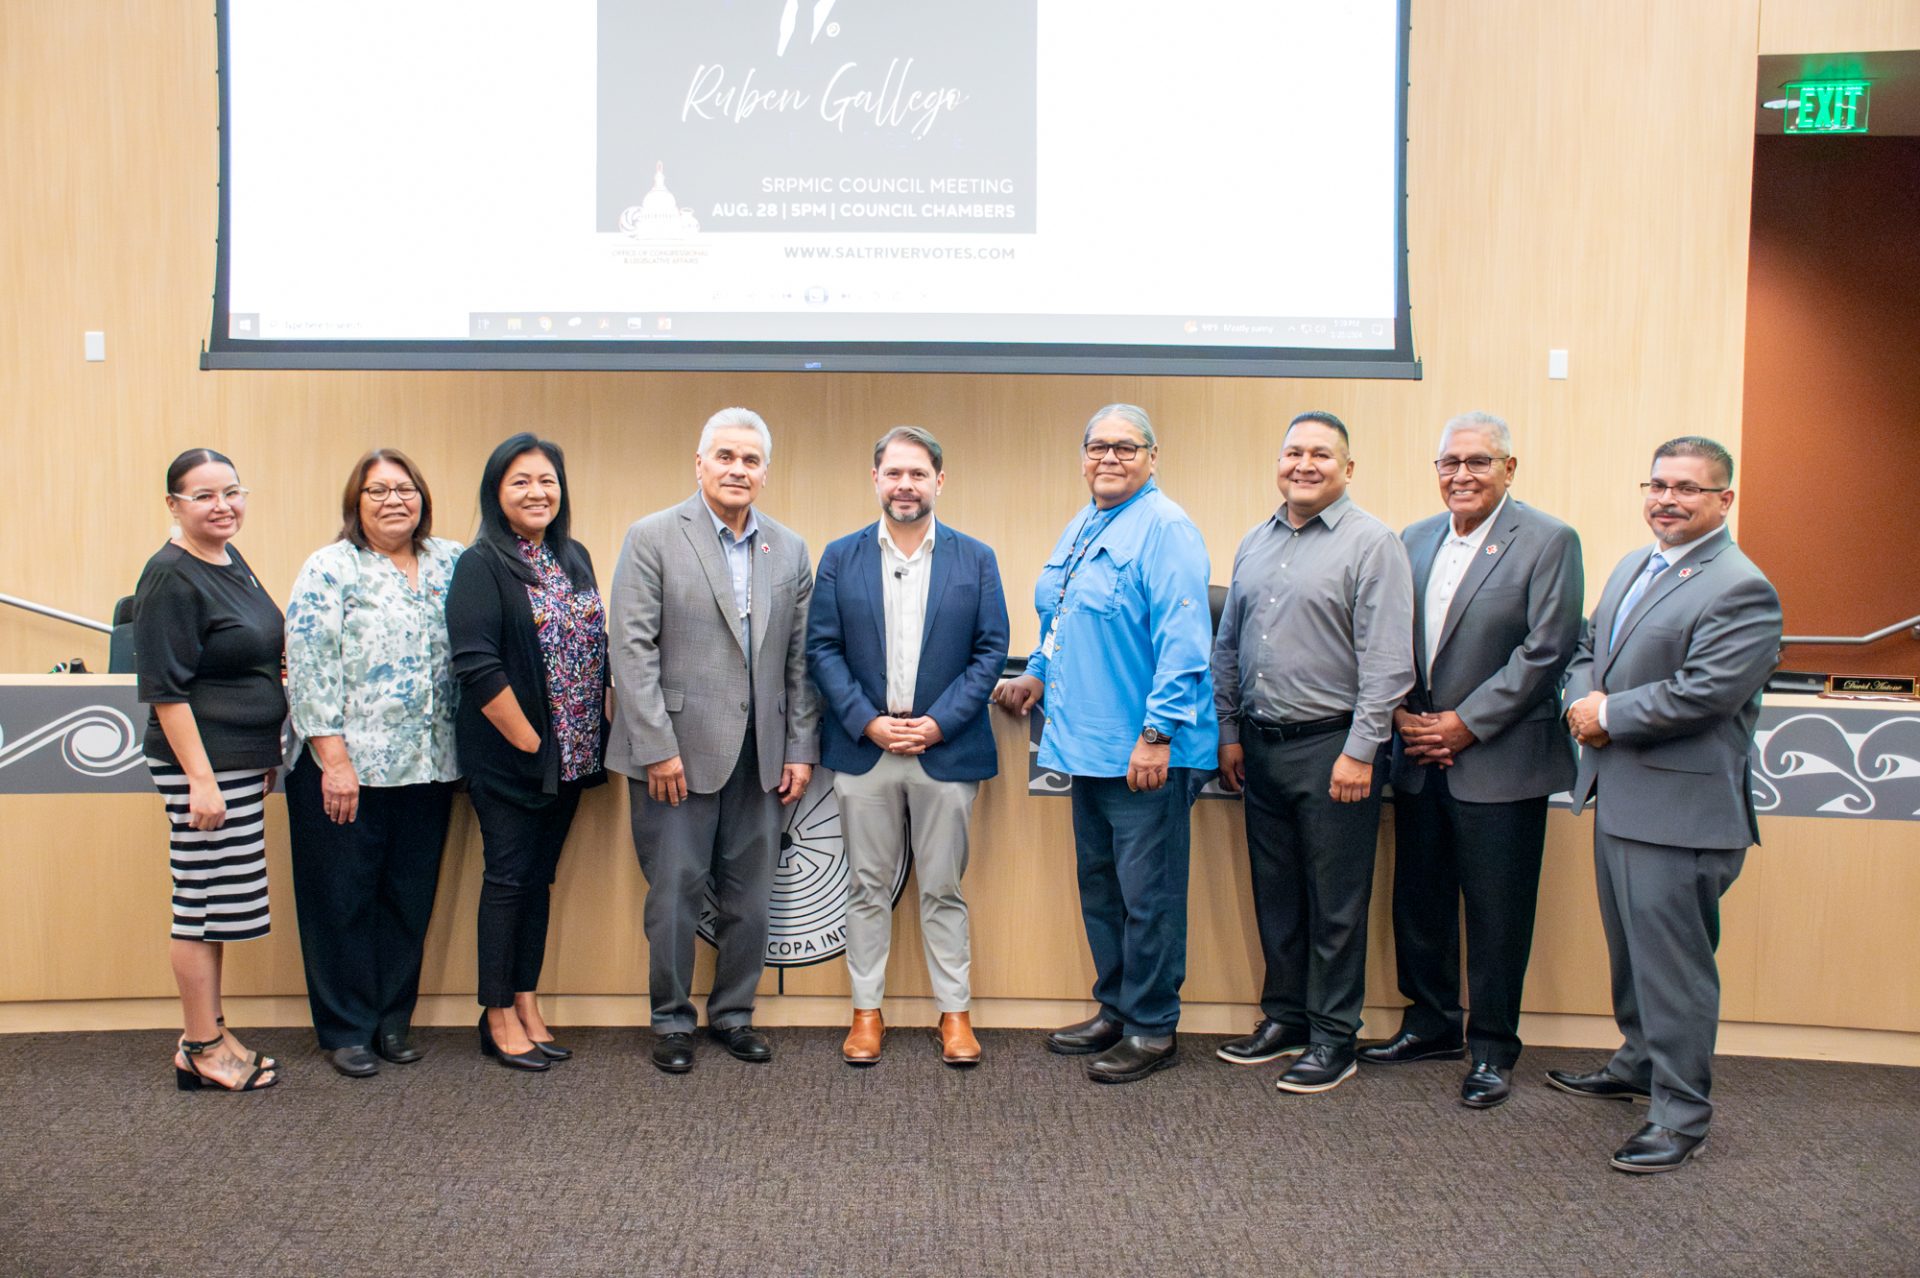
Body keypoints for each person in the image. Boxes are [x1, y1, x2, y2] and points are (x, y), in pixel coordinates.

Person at [1554, 436, 1781, 1174]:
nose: (1667, 499)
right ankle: (1639, 1063)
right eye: (1657, 484)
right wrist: (1584, 698)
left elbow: (1707, 691)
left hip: (1681, 817)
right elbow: (1588, 647)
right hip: (1621, 798)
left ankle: (1682, 1117)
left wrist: (1607, 714)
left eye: (1687, 487)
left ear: (1724, 499)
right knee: (1632, 956)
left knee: (1675, 970)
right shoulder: (1634, 564)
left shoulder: (1741, 586)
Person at [1361, 412, 1583, 1108]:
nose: (1462, 475)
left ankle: (1491, 1047)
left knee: (1497, 913)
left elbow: (1547, 651)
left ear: (1509, 469)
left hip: (1499, 761)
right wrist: (1400, 713)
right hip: (1420, 756)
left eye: (1479, 462)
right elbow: (1388, 635)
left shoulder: (1549, 540)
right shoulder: (1415, 538)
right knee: (1419, 903)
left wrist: (1465, 725)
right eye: (1450, 463)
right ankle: (1431, 1024)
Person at [992, 404, 1216, 1084]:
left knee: (1150, 896)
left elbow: (1185, 645)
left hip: (1143, 753)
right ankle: (1116, 1007)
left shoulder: (1167, 528)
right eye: (1097, 447)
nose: (1109, 458)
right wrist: (1036, 670)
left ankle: (1152, 1028)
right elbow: (1059, 617)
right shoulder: (1086, 522)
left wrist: (1157, 735)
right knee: (1103, 889)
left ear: (1153, 455)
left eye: (1125, 447)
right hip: (1086, 747)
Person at [606, 407, 820, 1074]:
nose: (738, 469)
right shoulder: (652, 537)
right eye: (725, 456)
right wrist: (656, 748)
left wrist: (799, 747)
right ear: (700, 464)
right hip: (674, 752)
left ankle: (734, 1014)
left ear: (764, 472)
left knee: (750, 899)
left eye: (750, 460)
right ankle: (672, 1022)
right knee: (674, 895)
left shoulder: (789, 548)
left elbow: (800, 661)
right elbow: (630, 650)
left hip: (761, 757)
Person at [1212, 411, 1414, 1095]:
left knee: (1335, 903)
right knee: (1277, 897)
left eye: (1320, 454)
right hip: (1262, 747)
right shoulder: (1255, 542)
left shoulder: (1373, 544)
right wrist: (1230, 731)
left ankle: (1334, 1036)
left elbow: (1388, 662)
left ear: (1347, 469)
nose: (1304, 464)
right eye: (1293, 451)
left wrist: (1361, 751)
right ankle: (1286, 1018)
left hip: (1335, 750)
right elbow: (1229, 647)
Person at [806, 426, 1009, 1067]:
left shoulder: (975, 558)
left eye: (918, 474)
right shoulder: (840, 556)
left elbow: (990, 649)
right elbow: (822, 648)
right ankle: (867, 1013)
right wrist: (866, 721)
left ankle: (955, 1015)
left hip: (942, 751)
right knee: (866, 888)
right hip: (865, 748)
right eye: (893, 473)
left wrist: (938, 723)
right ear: (876, 480)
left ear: (938, 482)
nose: (905, 485)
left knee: (943, 888)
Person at [284, 448, 462, 1078]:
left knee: (407, 899)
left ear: (423, 497)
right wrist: (333, 759)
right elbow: (307, 668)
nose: (394, 500)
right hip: (346, 771)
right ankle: (345, 1029)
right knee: (342, 900)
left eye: (405, 488)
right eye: (378, 490)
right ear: (355, 503)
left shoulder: (451, 561)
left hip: (430, 766)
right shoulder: (331, 568)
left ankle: (391, 1020)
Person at [447, 433, 609, 1073]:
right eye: (520, 481)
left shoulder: (573, 557)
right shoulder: (481, 563)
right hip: (516, 758)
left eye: (546, 480)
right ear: (496, 492)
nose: (536, 492)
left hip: (571, 758)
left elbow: (595, 646)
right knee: (508, 881)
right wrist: (532, 742)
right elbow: (477, 666)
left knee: (538, 883)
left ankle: (526, 999)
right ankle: (495, 1015)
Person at [134, 448, 284, 1092]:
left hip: (238, 762)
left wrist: (263, 754)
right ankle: (198, 1045)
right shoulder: (170, 575)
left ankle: (212, 1031)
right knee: (198, 903)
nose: (222, 505)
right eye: (204, 496)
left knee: (221, 905)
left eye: (232, 492)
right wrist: (201, 778)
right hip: (203, 767)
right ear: (174, 505)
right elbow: (166, 691)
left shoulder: (228, 558)